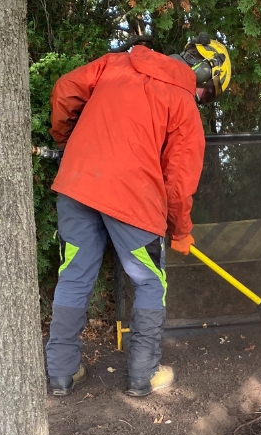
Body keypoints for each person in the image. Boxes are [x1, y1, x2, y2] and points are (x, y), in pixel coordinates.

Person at [46, 34, 232, 397]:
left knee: (74, 274)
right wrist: (181, 231)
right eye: (208, 93)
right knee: (149, 282)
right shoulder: (183, 104)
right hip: (133, 199)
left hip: (77, 183)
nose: (202, 99)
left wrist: (65, 141)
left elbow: (65, 89)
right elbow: (178, 183)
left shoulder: (116, 64)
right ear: (203, 73)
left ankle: (61, 374)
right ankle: (142, 375)